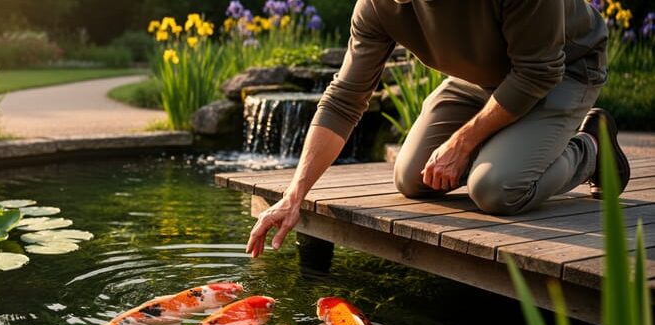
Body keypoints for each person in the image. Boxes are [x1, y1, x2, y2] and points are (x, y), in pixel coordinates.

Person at [246, 0, 632, 258]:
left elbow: (538, 71)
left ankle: (590, 146)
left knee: (496, 189)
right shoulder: (377, 5)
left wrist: (463, 141)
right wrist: (294, 194)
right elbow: (345, 98)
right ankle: (511, 143)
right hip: (479, 81)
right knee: (413, 177)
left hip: (563, 70)